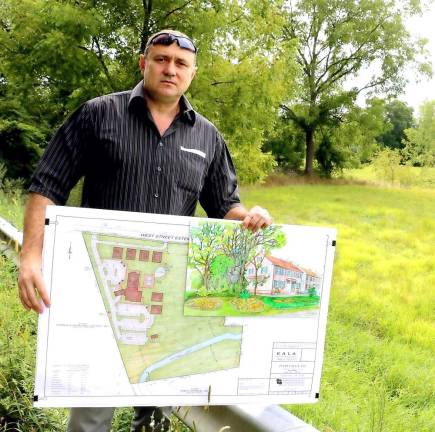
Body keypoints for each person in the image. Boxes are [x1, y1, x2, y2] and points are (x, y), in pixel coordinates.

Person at [18, 29, 272, 431]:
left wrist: (250, 217)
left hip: (167, 299)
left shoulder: (208, 136)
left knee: (154, 417)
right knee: (91, 417)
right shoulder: (99, 114)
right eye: (161, 59)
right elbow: (47, 186)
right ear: (144, 63)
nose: (170, 69)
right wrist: (30, 256)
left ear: (192, 72)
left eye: (180, 63)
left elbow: (225, 205)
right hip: (102, 290)